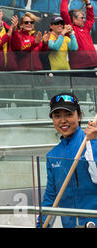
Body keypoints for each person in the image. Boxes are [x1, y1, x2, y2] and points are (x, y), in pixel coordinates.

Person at [37, 92, 97, 228]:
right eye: (57, 116)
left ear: (79, 115)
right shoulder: (53, 155)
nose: (63, 121)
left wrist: (94, 142)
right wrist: (41, 224)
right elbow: (51, 196)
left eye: (69, 115)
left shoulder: (91, 141)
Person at [60, 0, 97, 102]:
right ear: (74, 19)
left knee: (95, 95)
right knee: (80, 97)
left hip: (92, 67)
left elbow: (91, 19)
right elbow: (63, 12)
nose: (84, 20)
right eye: (81, 18)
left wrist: (88, 4)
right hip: (78, 69)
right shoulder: (70, 28)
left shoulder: (85, 28)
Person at [9, 13, 48, 107]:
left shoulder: (35, 37)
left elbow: (42, 54)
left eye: (32, 22)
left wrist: (45, 44)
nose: (29, 24)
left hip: (38, 74)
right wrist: (34, 43)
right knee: (23, 103)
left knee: (38, 103)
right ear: (21, 24)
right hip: (23, 75)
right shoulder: (17, 35)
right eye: (26, 22)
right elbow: (20, 49)